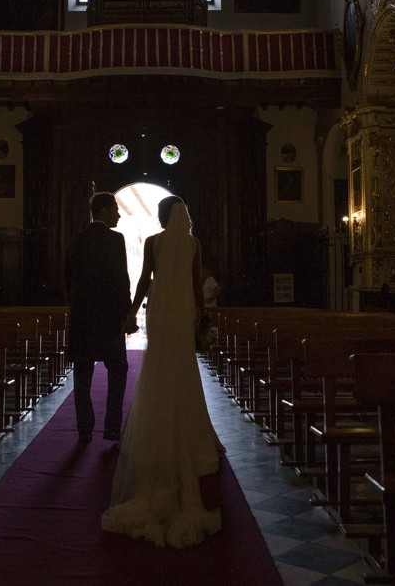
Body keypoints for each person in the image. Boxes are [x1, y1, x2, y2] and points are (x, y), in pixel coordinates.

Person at [101, 196, 223, 548]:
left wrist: (132, 312)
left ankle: (154, 430)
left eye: (159, 213)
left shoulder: (154, 242)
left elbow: (143, 281)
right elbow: (197, 281)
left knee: (157, 365)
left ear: (164, 216)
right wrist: (202, 314)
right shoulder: (192, 243)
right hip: (183, 309)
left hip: (159, 310)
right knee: (183, 369)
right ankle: (193, 435)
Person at [65, 192, 134, 444]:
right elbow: (121, 279)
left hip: (82, 319)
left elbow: (68, 279)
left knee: (82, 377)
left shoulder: (78, 240)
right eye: (115, 209)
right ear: (104, 210)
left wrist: (77, 305)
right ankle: (112, 427)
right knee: (118, 370)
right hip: (108, 319)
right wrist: (127, 313)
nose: (118, 214)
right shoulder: (115, 239)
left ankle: (84, 428)